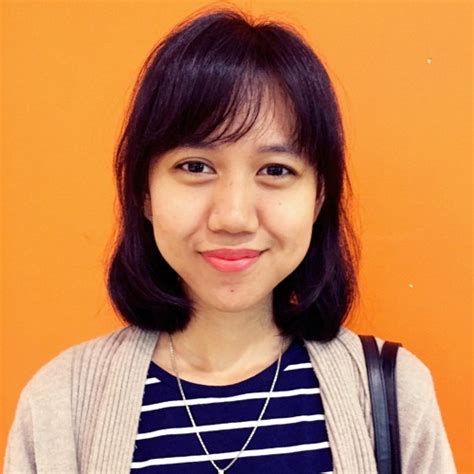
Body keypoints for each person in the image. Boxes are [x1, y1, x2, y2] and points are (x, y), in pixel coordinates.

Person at [4, 7, 456, 474]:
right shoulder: (60, 406)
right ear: (144, 193)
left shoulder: (394, 394)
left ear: (319, 196)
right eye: (196, 166)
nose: (233, 218)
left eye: (276, 170)